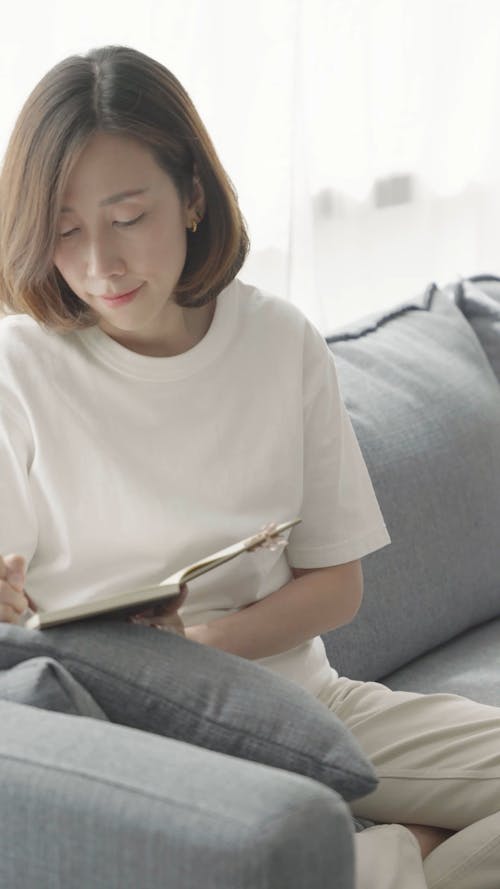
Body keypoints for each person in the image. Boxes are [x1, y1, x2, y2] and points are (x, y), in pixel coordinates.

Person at [0, 45, 499, 889]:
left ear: (192, 197)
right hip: (135, 734)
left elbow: (335, 585)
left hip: (303, 701)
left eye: (128, 216)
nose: (100, 264)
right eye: (65, 231)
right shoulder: (20, 369)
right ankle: (397, 854)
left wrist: (201, 645)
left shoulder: (278, 341)